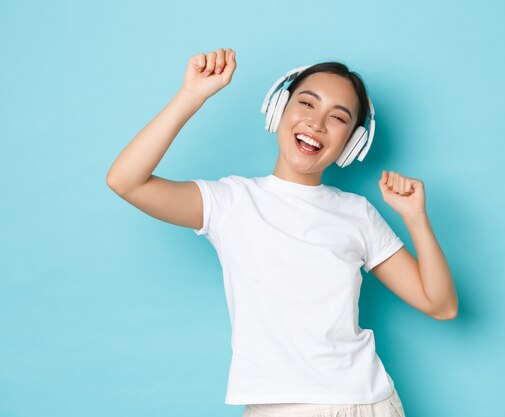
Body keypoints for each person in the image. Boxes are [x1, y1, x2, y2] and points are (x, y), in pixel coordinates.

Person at [106, 47, 458, 417]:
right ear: (279, 110)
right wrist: (191, 96)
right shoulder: (231, 202)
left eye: (338, 118)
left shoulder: (358, 214)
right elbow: (126, 181)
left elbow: (441, 305)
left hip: (368, 404)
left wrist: (415, 217)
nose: (317, 123)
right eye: (307, 104)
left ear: (351, 143)